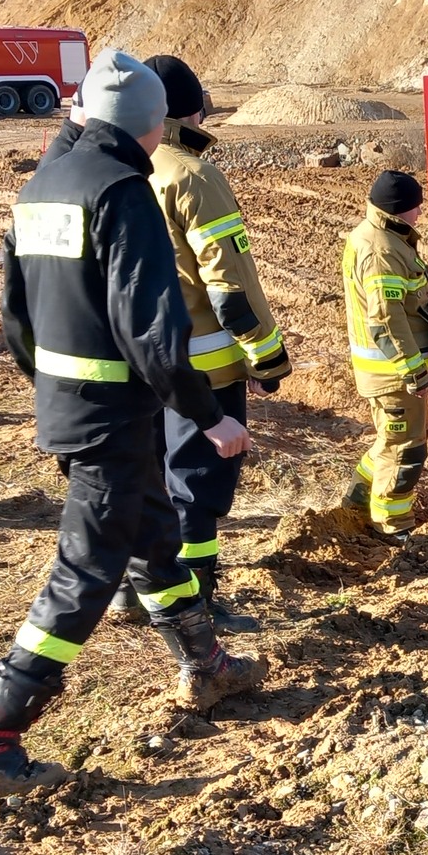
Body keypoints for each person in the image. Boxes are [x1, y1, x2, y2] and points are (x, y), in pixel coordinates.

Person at [0, 51, 264, 795]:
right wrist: (209, 416)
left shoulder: (44, 184)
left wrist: (60, 393)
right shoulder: (123, 194)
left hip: (74, 411)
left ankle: (206, 667)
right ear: (153, 125)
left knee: (155, 539)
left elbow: (15, 320)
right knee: (84, 574)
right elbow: (153, 336)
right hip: (115, 422)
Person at [127, 54, 290, 625]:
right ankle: (196, 604)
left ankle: (140, 590)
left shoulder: (117, 168)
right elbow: (230, 286)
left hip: (132, 365)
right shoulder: (192, 176)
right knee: (195, 487)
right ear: (191, 111)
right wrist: (266, 356)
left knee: (145, 479)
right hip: (202, 369)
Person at [341, 169, 428, 538]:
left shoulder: (381, 236)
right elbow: (386, 321)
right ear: (397, 209)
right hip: (393, 374)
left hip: (391, 371)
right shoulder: (381, 250)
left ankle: (357, 500)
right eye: (416, 208)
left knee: (391, 438)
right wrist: (414, 372)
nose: (420, 214)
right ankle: (393, 526)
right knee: (406, 449)